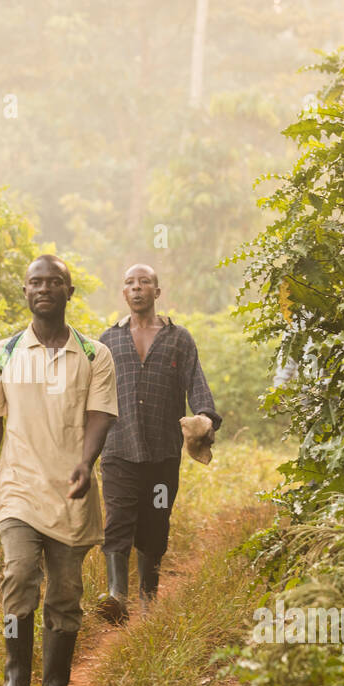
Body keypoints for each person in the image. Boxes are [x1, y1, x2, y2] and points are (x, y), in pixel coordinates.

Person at [0, 255, 117, 686]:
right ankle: (15, 675)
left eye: (55, 282)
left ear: (70, 292)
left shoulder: (94, 354)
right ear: (25, 291)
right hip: (18, 489)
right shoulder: (3, 353)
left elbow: (101, 416)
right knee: (18, 576)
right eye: (36, 282)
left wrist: (86, 463)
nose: (44, 289)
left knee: (66, 592)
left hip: (73, 491)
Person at [96, 263, 221, 623]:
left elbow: (195, 381)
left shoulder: (179, 338)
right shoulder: (108, 341)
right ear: (124, 293)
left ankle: (148, 600)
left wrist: (206, 416)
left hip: (163, 452)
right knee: (117, 520)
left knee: (155, 523)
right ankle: (116, 596)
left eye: (145, 282)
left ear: (157, 292)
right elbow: (93, 392)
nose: (137, 288)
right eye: (130, 283)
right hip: (118, 447)